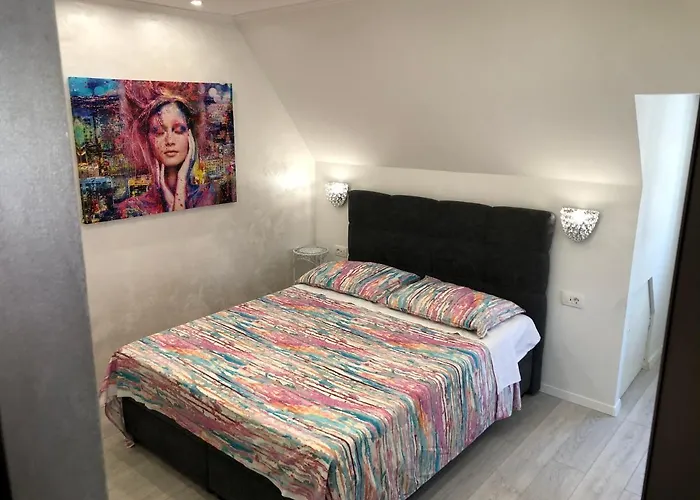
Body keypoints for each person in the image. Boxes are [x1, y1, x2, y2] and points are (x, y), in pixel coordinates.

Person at [116, 81, 215, 219]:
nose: (169, 141)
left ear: (191, 135)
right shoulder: (131, 209)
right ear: (147, 138)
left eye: (179, 130)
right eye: (159, 132)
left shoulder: (209, 197)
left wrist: (181, 183)